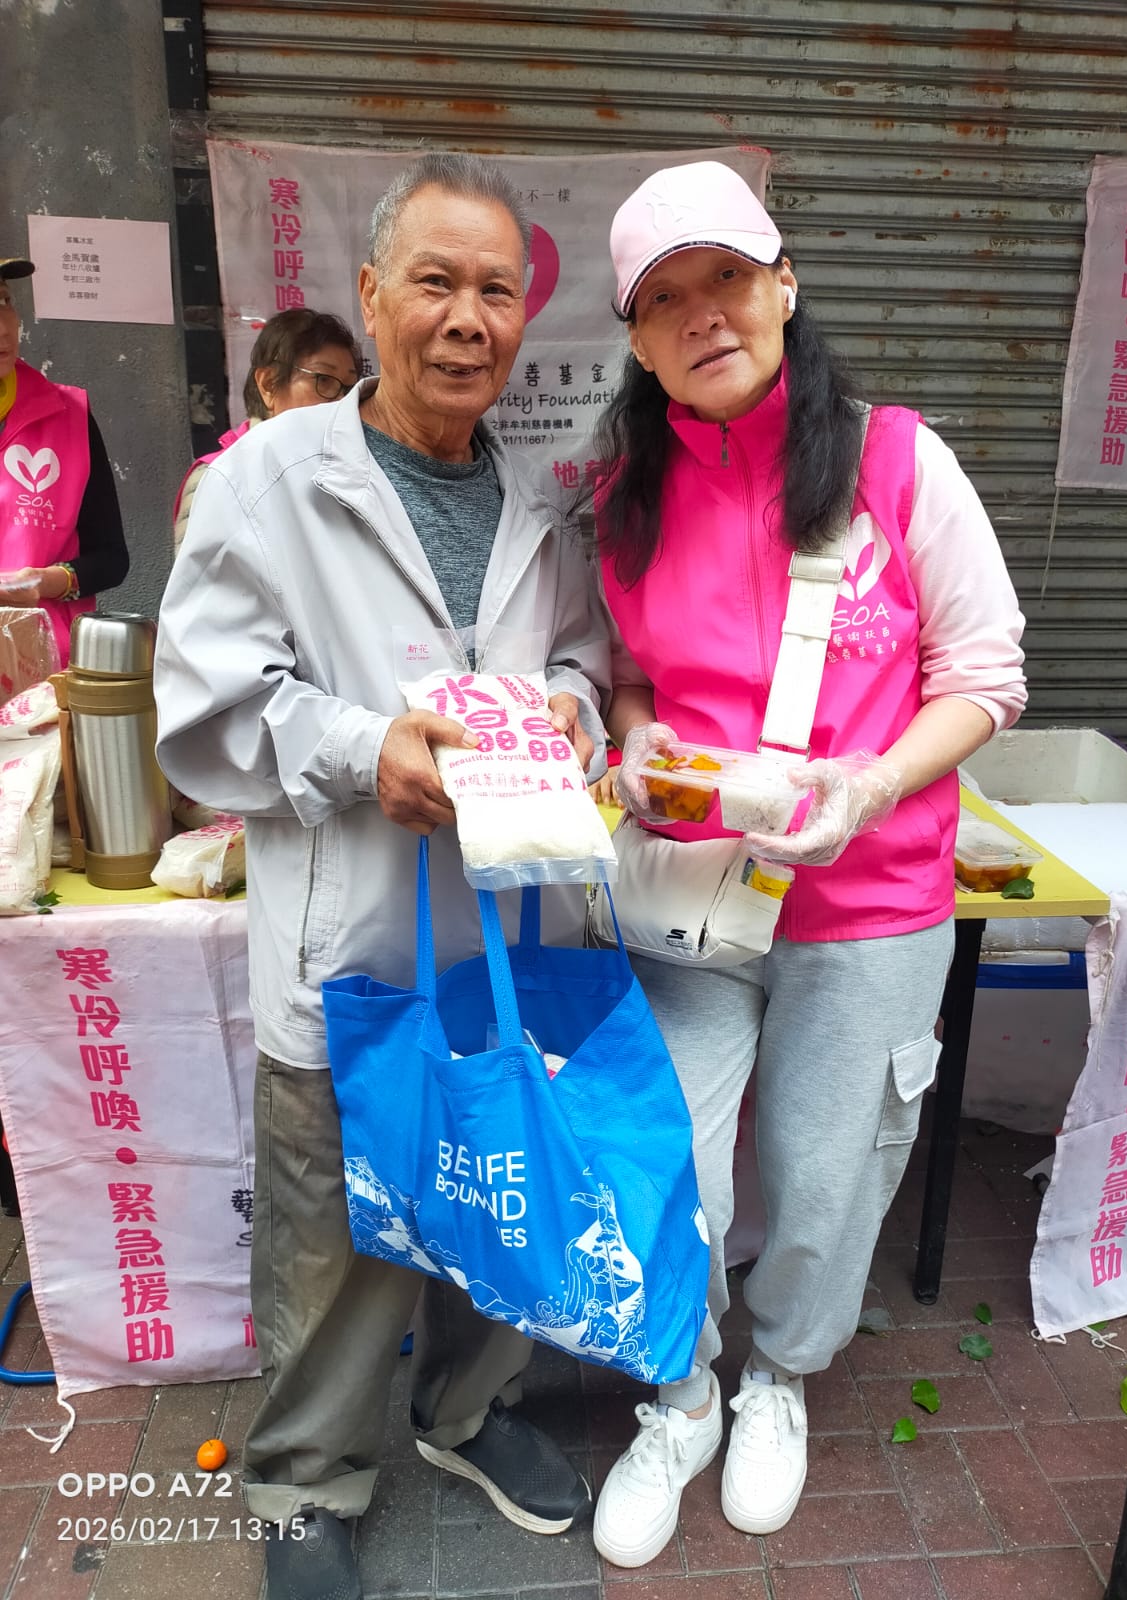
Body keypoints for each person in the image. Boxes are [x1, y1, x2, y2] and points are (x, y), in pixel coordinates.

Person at [153, 154, 609, 1600]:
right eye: (436, 282)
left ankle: (468, 1413)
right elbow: (207, 709)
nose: (469, 318)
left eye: (497, 291)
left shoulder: (536, 501)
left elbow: (583, 656)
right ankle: (306, 1481)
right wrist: (364, 754)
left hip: (504, 943)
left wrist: (575, 716)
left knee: (494, 1199)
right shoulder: (271, 482)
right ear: (369, 295)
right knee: (335, 1243)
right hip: (347, 944)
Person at [588, 160, 1028, 1567]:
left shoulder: (897, 462)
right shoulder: (625, 492)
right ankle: (681, 1393)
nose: (703, 314)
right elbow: (628, 674)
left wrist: (873, 783)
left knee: (825, 1174)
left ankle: (776, 1378)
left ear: (783, 283)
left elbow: (986, 675)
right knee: (672, 1168)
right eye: (665, 299)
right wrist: (639, 741)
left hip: (871, 899)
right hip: (690, 901)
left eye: (726, 276)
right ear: (638, 339)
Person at [0, 255, 128, 667]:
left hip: (45, 672)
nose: (2, 327)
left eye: (4, 301)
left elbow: (111, 559)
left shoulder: (68, 414)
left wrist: (43, 582)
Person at [172, 306, 363, 549]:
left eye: (349, 388)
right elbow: (201, 572)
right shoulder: (218, 478)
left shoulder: (344, 469)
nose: (341, 401)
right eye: (323, 380)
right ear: (269, 384)